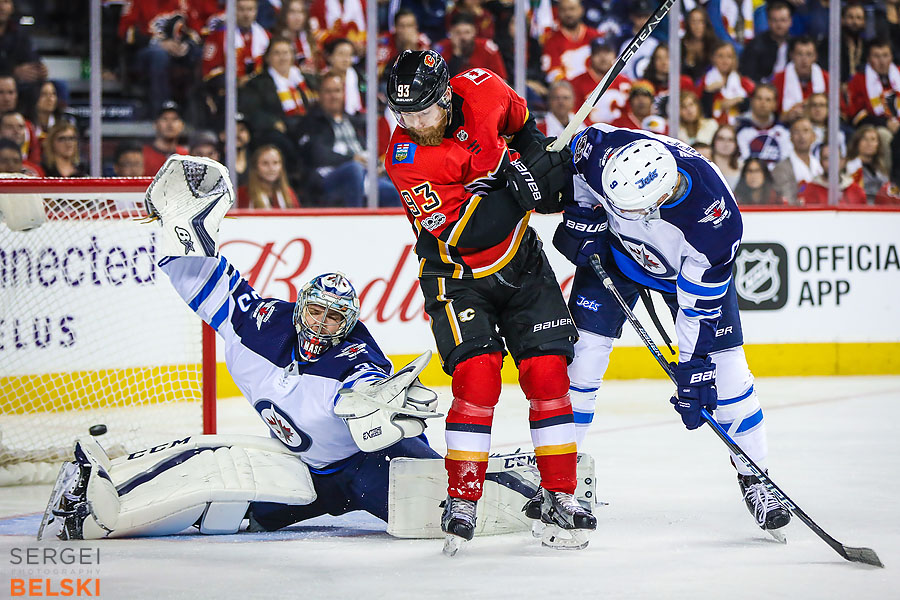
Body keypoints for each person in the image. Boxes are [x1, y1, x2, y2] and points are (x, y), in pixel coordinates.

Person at [38, 155, 444, 541]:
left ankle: (480, 475)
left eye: (334, 317)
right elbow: (205, 283)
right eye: (317, 310)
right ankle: (98, 498)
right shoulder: (259, 326)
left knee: (440, 505)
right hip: (303, 472)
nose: (322, 323)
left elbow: (370, 382)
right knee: (225, 503)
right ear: (300, 307)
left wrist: (377, 402)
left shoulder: (355, 353)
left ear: (348, 324)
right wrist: (183, 231)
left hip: (366, 465)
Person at [384, 50, 595, 551]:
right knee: (477, 376)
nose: (415, 125)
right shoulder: (405, 159)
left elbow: (522, 125)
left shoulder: (483, 87)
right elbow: (469, 231)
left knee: (547, 373)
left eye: (425, 112)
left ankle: (559, 495)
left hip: (523, 264)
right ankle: (462, 497)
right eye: (404, 115)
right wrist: (516, 183)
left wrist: (533, 160)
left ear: (446, 97)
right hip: (456, 276)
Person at [552, 124, 793, 541]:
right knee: (583, 358)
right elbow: (576, 164)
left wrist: (692, 367)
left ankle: (757, 478)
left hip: (681, 275)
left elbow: (696, 313)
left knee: (729, 372)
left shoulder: (715, 224)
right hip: (615, 257)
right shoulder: (604, 150)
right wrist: (583, 218)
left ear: (659, 200)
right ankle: (557, 479)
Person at [300, 71, 399, 207]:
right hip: (330, 176)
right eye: (328, 91)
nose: (333, 96)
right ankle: (356, 224)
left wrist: (376, 165)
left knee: (395, 187)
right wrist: (352, 159)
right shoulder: (312, 121)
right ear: (320, 95)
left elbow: (365, 150)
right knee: (354, 169)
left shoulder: (353, 121)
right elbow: (317, 154)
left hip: (365, 175)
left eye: (337, 91)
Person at [569, 40, 632, 127]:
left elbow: (631, 113)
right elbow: (573, 114)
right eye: (598, 54)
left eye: (607, 53)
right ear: (591, 57)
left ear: (614, 55)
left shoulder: (625, 82)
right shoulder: (576, 83)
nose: (603, 58)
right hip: (588, 133)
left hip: (620, 132)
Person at [771, 36, 829, 125]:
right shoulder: (779, 79)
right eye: (799, 54)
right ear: (792, 55)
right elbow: (772, 113)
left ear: (815, 56)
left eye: (809, 54)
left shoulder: (826, 79)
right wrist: (786, 116)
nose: (804, 59)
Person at [433, 12, 507, 81]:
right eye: (458, 32)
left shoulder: (487, 48)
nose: (463, 37)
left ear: (474, 31)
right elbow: (438, 83)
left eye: (467, 32)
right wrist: (457, 54)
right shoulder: (441, 49)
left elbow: (502, 80)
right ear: (451, 32)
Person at [541, 0, 600, 83]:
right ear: (558, 12)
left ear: (581, 10)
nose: (568, 13)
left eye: (572, 9)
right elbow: (552, 72)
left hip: (594, 88)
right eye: (563, 10)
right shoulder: (551, 41)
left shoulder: (596, 36)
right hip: (567, 90)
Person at [771, 117, 823, 204]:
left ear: (814, 136)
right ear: (790, 138)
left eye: (806, 131)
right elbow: (786, 199)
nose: (801, 136)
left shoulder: (819, 164)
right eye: (796, 132)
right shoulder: (781, 168)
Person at [739, 0, 794, 84]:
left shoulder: (794, 44)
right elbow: (748, 77)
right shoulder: (755, 45)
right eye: (775, 20)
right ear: (768, 21)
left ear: (790, 21)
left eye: (783, 20)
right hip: (762, 90)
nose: (779, 25)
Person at [237, 144, 299, 209]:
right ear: (255, 168)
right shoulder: (242, 194)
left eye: (275, 163)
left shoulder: (289, 194)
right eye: (265, 163)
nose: (271, 168)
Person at [142, 101, 188, 176]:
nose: (170, 124)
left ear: (182, 125)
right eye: (164, 119)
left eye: (175, 119)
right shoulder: (143, 155)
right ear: (155, 124)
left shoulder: (186, 156)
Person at [709, 124, 743, 190]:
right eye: (721, 139)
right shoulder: (705, 166)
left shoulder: (743, 167)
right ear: (714, 142)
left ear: (736, 144)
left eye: (730, 140)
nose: (726, 143)